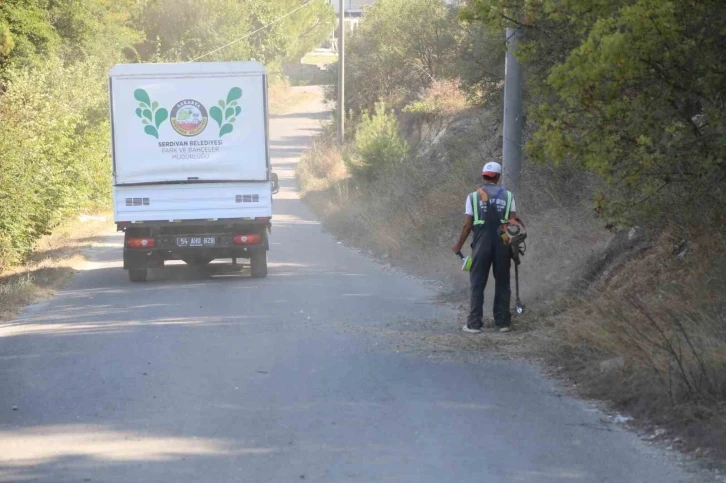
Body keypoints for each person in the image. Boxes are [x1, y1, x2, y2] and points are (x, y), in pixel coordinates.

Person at [452, 162, 517, 333]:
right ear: (498, 176)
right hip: (503, 243)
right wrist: (513, 249)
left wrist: (459, 244)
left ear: (484, 176)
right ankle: (503, 323)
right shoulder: (508, 196)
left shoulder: (473, 197)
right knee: (503, 282)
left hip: (481, 244)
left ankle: (474, 324)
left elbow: (467, 225)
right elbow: (513, 224)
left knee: (477, 283)